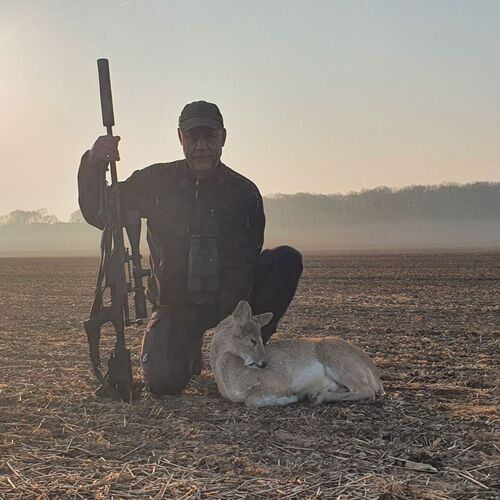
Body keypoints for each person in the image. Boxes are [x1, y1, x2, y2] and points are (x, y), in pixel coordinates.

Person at [78, 100, 303, 395]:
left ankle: (247, 348)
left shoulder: (244, 193)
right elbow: (100, 212)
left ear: (223, 138)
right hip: (177, 305)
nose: (201, 147)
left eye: (210, 137)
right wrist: (93, 163)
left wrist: (234, 324)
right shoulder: (155, 181)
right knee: (163, 382)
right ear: (180, 138)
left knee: (286, 260)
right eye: (193, 137)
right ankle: (186, 347)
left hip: (231, 304)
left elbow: (245, 261)